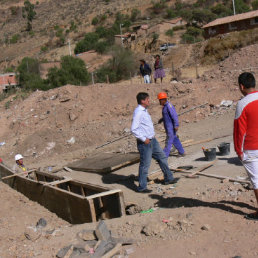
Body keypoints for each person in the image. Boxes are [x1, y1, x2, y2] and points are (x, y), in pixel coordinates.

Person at [131, 92, 179, 193]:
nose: (149, 100)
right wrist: (144, 139)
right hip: (145, 143)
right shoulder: (138, 112)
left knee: (162, 158)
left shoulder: (144, 111)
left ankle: (169, 178)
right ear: (142, 101)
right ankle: (142, 187)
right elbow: (134, 129)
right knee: (145, 165)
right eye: (147, 99)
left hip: (153, 140)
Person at [234, 72, 258, 220]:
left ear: (242, 86)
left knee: (256, 181)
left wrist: (239, 151)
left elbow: (239, 132)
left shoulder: (242, 104)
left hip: (251, 148)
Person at [157, 92, 185, 158]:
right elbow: (167, 116)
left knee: (168, 142)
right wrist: (162, 119)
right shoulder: (165, 107)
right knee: (175, 139)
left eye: (159, 100)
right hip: (168, 127)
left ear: (163, 99)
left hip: (171, 128)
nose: (159, 101)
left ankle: (163, 157)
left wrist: (176, 125)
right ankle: (182, 152)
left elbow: (174, 116)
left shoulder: (169, 106)